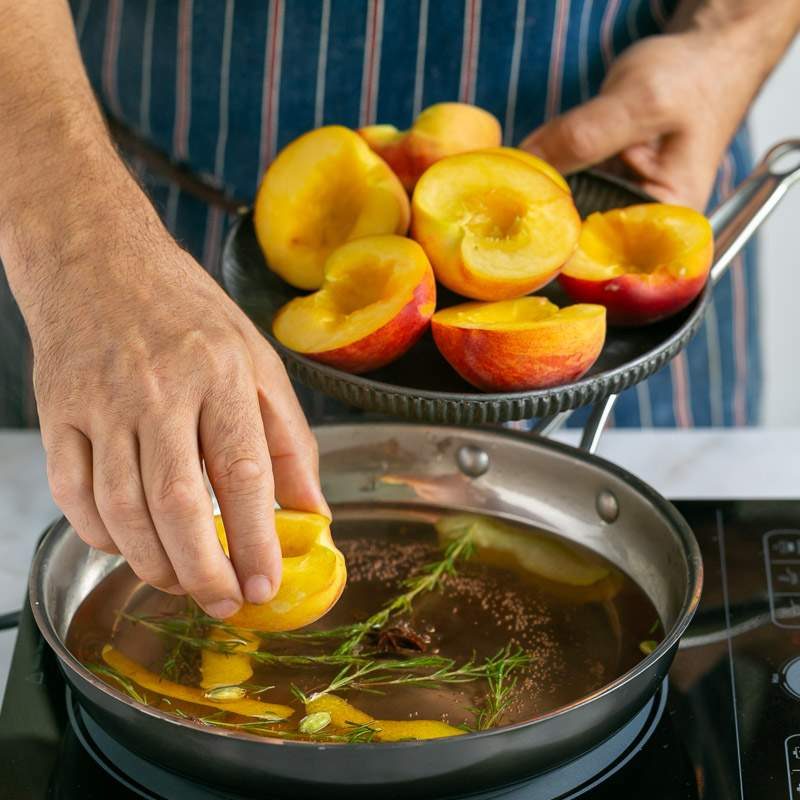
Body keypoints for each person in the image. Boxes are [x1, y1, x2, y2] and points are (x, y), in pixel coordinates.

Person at [0, 1, 797, 619]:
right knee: (152, 529)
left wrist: (729, 40)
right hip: (124, 227)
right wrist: (79, 241)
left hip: (618, 220)